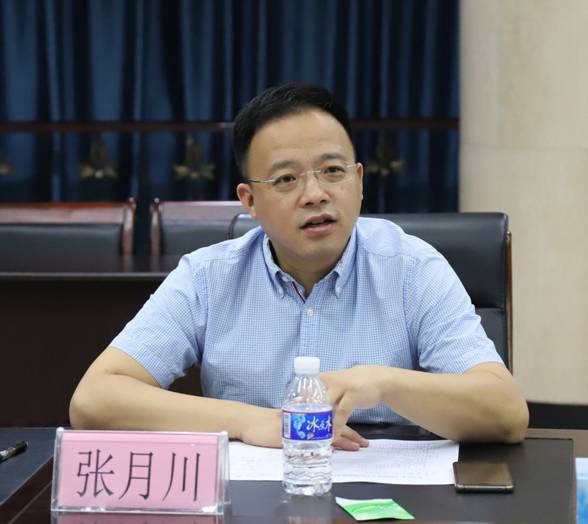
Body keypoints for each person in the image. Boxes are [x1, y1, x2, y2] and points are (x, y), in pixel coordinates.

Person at [70, 84, 528, 449]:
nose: (315, 194)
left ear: (359, 181)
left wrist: (385, 383)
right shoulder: (208, 277)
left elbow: (506, 414)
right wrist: (253, 422)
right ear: (250, 200)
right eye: (286, 179)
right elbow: (94, 400)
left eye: (333, 171)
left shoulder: (412, 269)